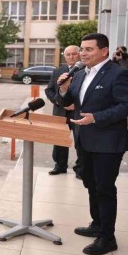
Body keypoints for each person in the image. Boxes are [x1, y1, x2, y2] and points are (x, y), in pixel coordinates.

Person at [56, 33, 128, 255]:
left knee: (104, 188)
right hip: (84, 140)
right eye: (82, 49)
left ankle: (107, 237)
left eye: (88, 49)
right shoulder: (80, 74)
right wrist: (63, 89)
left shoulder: (119, 74)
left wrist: (97, 117)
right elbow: (68, 103)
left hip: (108, 142)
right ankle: (97, 224)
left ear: (104, 51)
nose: (82, 53)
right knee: (90, 184)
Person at [44, 45, 80, 176]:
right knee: (59, 141)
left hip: (78, 113)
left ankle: (80, 168)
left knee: (80, 141)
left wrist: (76, 105)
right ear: (64, 56)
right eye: (68, 54)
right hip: (60, 112)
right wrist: (60, 102)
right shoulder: (58, 71)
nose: (71, 57)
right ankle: (60, 166)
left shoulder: (86, 71)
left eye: (74, 54)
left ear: (79, 54)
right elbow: (49, 90)